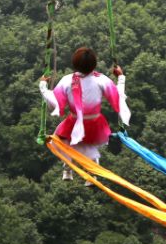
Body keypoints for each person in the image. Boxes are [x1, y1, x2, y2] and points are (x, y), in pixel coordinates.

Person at [39, 47, 130, 181]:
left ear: (74, 64)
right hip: (95, 122)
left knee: (65, 141)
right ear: (94, 64)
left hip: (74, 121)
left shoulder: (67, 81)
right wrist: (121, 78)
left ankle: (67, 170)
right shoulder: (102, 80)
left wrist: (42, 86)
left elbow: (54, 102)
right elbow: (118, 96)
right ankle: (92, 175)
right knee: (90, 145)